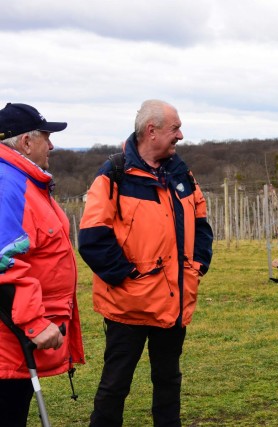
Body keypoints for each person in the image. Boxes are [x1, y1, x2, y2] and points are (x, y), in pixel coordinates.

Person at [78, 99, 214, 427]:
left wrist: (197, 266)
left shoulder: (182, 173)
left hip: (174, 302)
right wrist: (129, 277)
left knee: (169, 383)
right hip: (128, 307)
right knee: (114, 387)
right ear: (151, 132)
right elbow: (93, 238)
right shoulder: (114, 173)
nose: (181, 135)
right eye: (175, 128)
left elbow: (201, 223)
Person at [0, 103, 85, 427]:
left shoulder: (22, 182)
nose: (51, 146)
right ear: (25, 142)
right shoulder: (8, 186)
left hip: (14, 337)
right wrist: (35, 323)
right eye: (46, 137)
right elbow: (2, 262)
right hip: (10, 337)